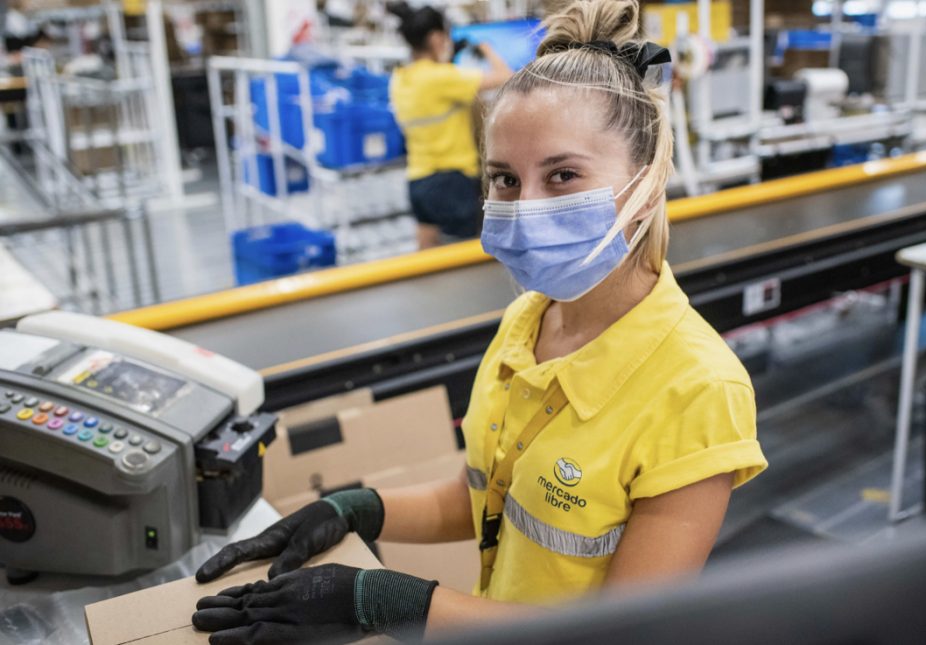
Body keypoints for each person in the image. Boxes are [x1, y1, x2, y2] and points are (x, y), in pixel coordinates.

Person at [191, 1, 768, 642]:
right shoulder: (527, 322)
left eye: (563, 175)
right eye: (504, 179)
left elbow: (621, 633)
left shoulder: (698, 391)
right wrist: (356, 509)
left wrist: (388, 601)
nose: (525, 208)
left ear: (648, 182)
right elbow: (494, 496)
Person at [386, 1, 512, 249]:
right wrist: (485, 47)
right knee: (461, 259)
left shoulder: (401, 78)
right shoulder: (441, 78)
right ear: (435, 38)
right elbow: (505, 76)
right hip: (452, 181)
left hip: (418, 181)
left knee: (427, 257)